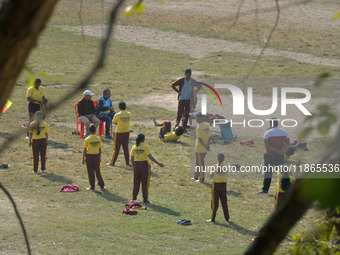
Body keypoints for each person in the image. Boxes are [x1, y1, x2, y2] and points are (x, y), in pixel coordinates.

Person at [258, 118, 290, 194]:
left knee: (268, 172)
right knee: (282, 172)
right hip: (280, 155)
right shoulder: (284, 132)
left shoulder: (267, 133)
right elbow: (288, 143)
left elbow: (267, 145)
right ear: (277, 123)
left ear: (270, 124)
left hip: (269, 155)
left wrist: (276, 151)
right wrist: (280, 150)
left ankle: (265, 190)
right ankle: (286, 188)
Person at [130, 133, 164, 203]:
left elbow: (131, 158)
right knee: (145, 182)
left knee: (136, 182)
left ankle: (134, 199)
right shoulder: (145, 146)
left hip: (136, 164)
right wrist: (158, 163)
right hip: (144, 164)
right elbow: (150, 156)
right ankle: (145, 199)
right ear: (143, 139)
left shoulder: (134, 147)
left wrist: (134, 166)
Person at [207, 153, 230, 223]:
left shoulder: (214, 166)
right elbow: (226, 174)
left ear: (217, 159)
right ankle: (227, 218)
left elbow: (211, 175)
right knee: (224, 201)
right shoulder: (226, 167)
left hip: (216, 185)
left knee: (215, 202)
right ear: (223, 159)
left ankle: (213, 218)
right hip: (223, 185)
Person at [82, 124, 105, 190]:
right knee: (97, 170)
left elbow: (85, 150)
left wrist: (83, 158)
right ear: (95, 130)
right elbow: (100, 148)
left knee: (90, 171)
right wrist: (100, 156)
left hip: (89, 156)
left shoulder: (87, 139)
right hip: (96, 155)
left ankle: (92, 186)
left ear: (89, 130)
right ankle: (102, 185)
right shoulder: (98, 138)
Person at [108, 101, 131, 167]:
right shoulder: (129, 114)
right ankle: (127, 163)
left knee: (116, 148)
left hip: (119, 133)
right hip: (126, 132)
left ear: (119, 107)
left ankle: (112, 162)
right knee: (126, 148)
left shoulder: (117, 115)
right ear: (125, 107)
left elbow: (114, 122)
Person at [194, 112, 212, 183]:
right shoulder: (206, 126)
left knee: (200, 164)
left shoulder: (199, 127)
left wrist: (205, 146)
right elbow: (210, 136)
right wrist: (207, 146)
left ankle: (201, 179)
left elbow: (200, 139)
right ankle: (196, 177)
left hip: (199, 149)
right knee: (198, 164)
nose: (196, 119)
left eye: (197, 117)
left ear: (201, 118)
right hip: (204, 149)